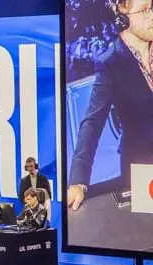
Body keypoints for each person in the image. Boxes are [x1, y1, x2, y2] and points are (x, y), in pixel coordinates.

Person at [68, 0, 153, 210]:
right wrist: (78, 180)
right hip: (142, 172)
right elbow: (92, 122)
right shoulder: (111, 62)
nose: (152, 15)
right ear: (123, 18)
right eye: (144, 10)